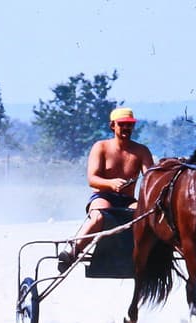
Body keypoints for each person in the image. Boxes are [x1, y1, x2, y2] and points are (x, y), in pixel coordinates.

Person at [59, 106, 155, 271]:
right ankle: (72, 251)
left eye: (130, 124)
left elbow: (150, 178)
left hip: (127, 201)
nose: (126, 128)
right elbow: (92, 179)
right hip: (103, 197)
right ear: (113, 126)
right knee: (99, 216)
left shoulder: (141, 151)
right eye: (122, 124)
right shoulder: (101, 147)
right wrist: (111, 184)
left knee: (146, 216)